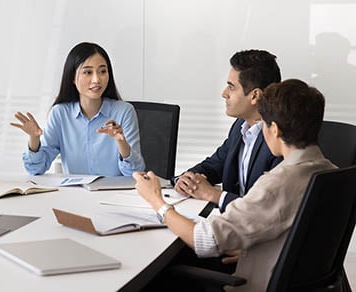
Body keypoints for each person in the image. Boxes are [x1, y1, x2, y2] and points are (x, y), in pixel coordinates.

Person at [134, 79, 336, 291]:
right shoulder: (332, 172)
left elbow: (204, 240)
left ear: (274, 129)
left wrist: (156, 200)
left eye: (264, 123)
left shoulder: (278, 182)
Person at [10, 42, 145, 176]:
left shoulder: (124, 112)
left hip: (113, 196)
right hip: (75, 195)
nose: (96, 79)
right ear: (73, 78)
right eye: (87, 72)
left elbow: (134, 174)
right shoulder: (60, 114)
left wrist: (121, 142)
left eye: (102, 71)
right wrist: (34, 138)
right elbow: (36, 169)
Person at [175, 49, 283, 212]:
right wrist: (188, 178)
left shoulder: (279, 139)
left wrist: (212, 194)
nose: (224, 94)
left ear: (255, 96)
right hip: (231, 221)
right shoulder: (241, 126)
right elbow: (214, 165)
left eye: (231, 87)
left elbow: (266, 208)